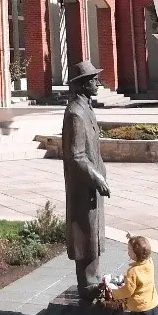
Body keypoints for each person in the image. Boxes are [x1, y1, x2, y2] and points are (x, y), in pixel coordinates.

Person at [62, 60, 110, 302]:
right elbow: (77, 156)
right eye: (93, 80)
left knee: (94, 230)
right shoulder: (75, 114)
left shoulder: (86, 109)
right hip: (84, 187)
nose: (98, 83)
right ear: (82, 85)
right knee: (85, 231)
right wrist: (96, 177)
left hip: (92, 185)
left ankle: (94, 278)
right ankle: (87, 284)